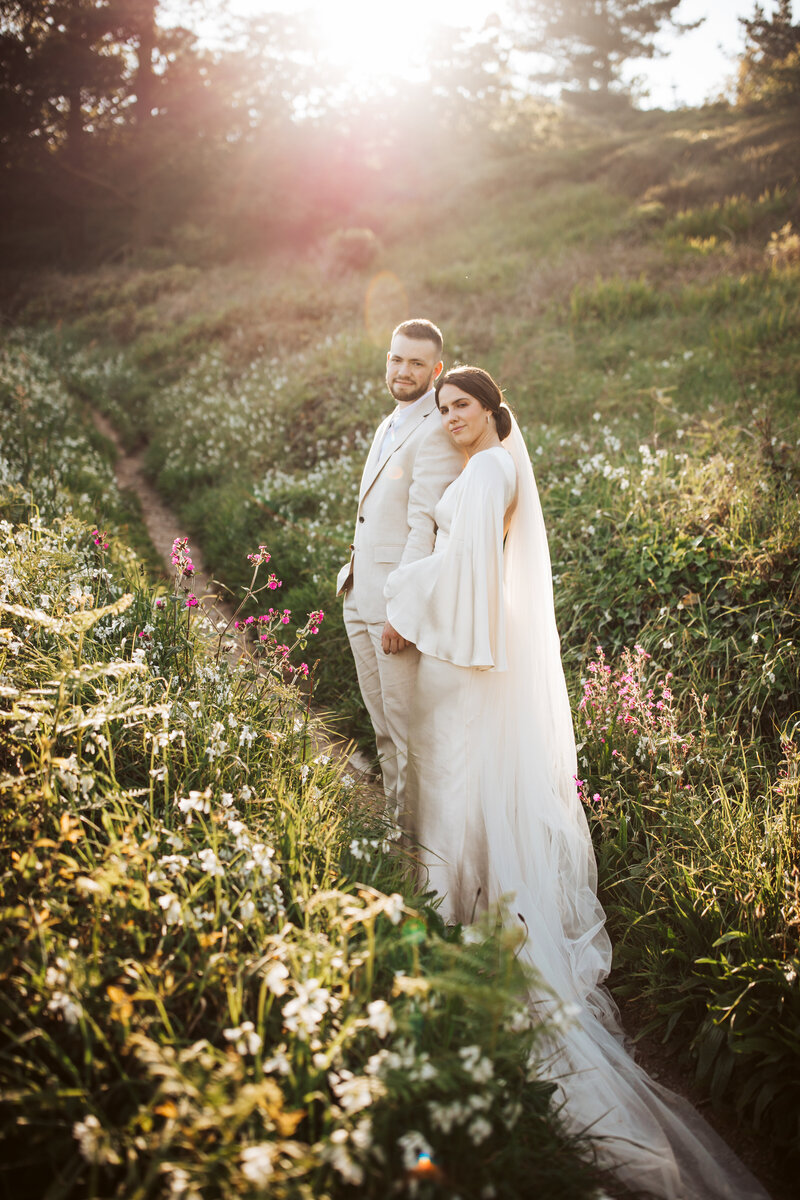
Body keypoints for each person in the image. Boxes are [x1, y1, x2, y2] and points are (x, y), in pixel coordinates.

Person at [384, 366, 768, 1200]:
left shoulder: (487, 471)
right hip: (485, 653)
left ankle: (447, 922)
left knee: (452, 788)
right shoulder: (503, 462)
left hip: (462, 657)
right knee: (471, 789)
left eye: (462, 407)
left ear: (492, 410)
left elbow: (467, 578)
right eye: (443, 408)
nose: (450, 418)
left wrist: (401, 603)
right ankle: (472, 913)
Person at [337, 320, 462, 816]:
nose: (402, 370)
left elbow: (424, 528)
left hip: (392, 605)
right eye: (395, 359)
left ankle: (411, 852)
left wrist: (403, 612)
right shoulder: (390, 421)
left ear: (435, 369)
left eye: (415, 363)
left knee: (406, 731)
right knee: (382, 726)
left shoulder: (435, 430)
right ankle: (396, 834)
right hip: (358, 592)